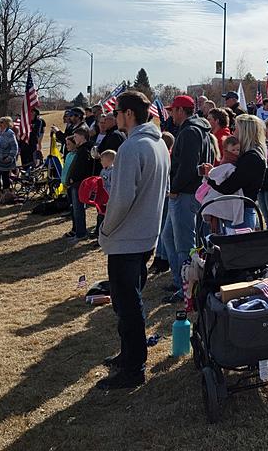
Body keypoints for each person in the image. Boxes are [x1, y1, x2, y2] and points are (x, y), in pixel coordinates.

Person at [97, 90, 169, 390]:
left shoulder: (132, 148)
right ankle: (129, 355)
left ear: (128, 114)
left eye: (117, 113)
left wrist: (106, 229)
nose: (114, 118)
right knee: (129, 302)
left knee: (128, 305)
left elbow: (121, 198)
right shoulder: (159, 144)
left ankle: (133, 368)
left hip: (127, 237)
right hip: (145, 234)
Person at [160, 95, 213, 300]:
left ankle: (187, 289)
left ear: (181, 110)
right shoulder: (196, 129)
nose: (171, 114)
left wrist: (175, 188)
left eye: (173, 110)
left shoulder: (190, 131)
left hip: (185, 193)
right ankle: (178, 281)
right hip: (189, 192)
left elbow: (188, 166)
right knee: (168, 238)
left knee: (184, 244)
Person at [204, 114, 266, 230]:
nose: (233, 132)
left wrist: (210, 177)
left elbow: (228, 187)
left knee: (240, 247)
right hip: (240, 210)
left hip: (242, 213)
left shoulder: (251, 158)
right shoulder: (251, 155)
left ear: (244, 131)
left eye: (236, 128)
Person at [66, 128, 95, 242]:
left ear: (82, 137)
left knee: (78, 209)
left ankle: (81, 233)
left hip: (79, 184)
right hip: (77, 183)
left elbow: (82, 168)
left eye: (76, 137)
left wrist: (74, 178)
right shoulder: (81, 149)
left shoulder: (85, 150)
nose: (74, 139)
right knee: (76, 209)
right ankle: (78, 231)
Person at [0, 117, 19, 203]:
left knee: (5, 178)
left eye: (2, 122)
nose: (0, 124)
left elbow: (15, 147)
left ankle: (6, 196)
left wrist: (10, 157)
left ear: (7, 124)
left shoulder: (10, 133)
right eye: (0, 122)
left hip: (4, 161)